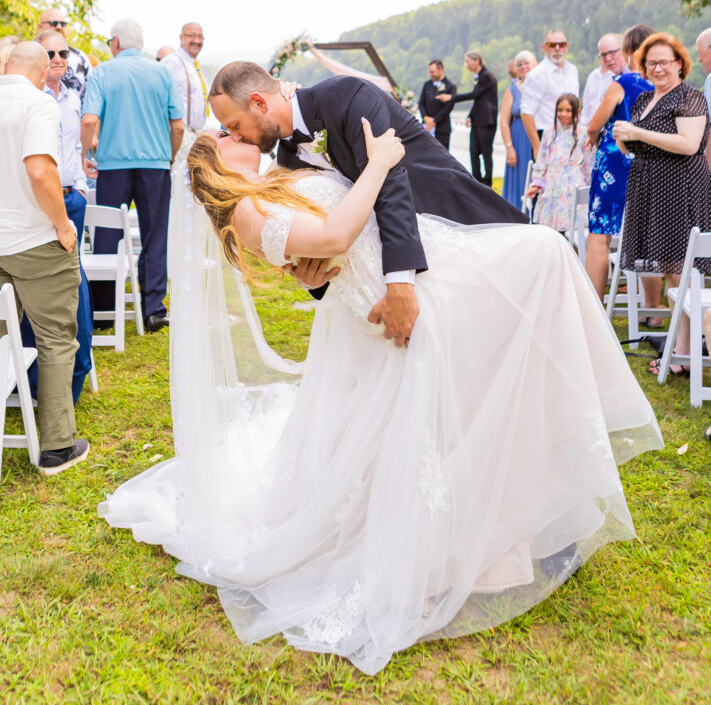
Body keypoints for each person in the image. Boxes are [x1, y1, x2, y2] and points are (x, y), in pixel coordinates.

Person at [99, 122, 662, 674]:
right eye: (223, 135)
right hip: (390, 299)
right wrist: (379, 162)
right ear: (212, 163)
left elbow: (326, 245)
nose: (234, 133)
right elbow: (333, 237)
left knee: (540, 265)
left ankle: (524, 512)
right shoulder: (246, 211)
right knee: (540, 259)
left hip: (421, 267)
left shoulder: (275, 180)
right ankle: (469, 542)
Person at [208, 64, 527, 347]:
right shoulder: (288, 160)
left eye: (235, 125)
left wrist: (400, 284)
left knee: (514, 324)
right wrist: (313, 279)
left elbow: (390, 180)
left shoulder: (347, 95)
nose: (237, 137)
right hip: (395, 271)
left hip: (451, 219)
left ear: (259, 103)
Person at [0, 42, 89, 475]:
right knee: (55, 337)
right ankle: (56, 447)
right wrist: (62, 225)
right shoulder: (38, 103)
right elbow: (40, 170)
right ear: (40, 74)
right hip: (34, 240)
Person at [613, 33, 711, 375]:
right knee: (673, 272)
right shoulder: (643, 101)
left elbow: (688, 144)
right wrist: (625, 140)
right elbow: (638, 148)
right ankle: (680, 348)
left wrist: (637, 134)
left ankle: (683, 349)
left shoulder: (690, 97)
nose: (658, 68)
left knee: (685, 270)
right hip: (652, 190)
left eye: (664, 62)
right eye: (651, 62)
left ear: (680, 64)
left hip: (682, 191)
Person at [81, 19, 185, 333]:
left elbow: (88, 120)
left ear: (115, 43)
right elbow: (178, 125)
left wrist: (86, 153)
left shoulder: (102, 72)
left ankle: (104, 310)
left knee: (107, 236)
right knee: (155, 235)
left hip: (113, 165)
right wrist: (170, 155)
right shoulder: (162, 72)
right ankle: (153, 310)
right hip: (155, 164)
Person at [19, 30, 94, 402]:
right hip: (37, 203)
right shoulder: (28, 101)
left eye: (63, 51)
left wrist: (78, 183)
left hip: (71, 199)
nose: (58, 58)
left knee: (72, 283)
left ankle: (77, 370)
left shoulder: (71, 98)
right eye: (50, 52)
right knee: (41, 290)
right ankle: (36, 379)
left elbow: (75, 147)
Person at [584, 25, 661, 314]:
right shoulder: (665, 84)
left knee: (600, 235)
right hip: (651, 165)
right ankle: (653, 310)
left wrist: (596, 140)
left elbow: (593, 125)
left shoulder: (623, 82)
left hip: (615, 166)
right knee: (649, 235)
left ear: (629, 52)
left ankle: (594, 309)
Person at [525, 94, 592, 231]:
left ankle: (574, 253)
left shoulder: (584, 133)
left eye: (568, 110)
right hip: (552, 185)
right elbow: (541, 160)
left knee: (574, 230)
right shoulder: (548, 133)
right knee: (550, 231)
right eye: (560, 110)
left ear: (577, 111)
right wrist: (537, 183)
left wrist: (590, 187)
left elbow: (588, 163)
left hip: (573, 185)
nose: (563, 114)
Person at [435, 52, 498, 185]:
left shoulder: (487, 76)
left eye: (468, 61)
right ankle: (476, 180)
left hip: (487, 121)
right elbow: (479, 100)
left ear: (477, 61)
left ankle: (488, 182)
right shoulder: (479, 77)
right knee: (473, 151)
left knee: (486, 152)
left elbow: (474, 95)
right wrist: (470, 116)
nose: (466, 65)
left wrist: (451, 97)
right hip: (477, 120)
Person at [521, 30, 579, 159]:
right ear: (544, 47)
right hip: (547, 137)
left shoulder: (573, 70)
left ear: (567, 46)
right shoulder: (537, 75)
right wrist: (537, 146)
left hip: (571, 136)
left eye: (561, 44)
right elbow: (526, 113)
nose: (557, 48)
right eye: (552, 45)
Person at [160, 23, 208, 164]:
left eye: (200, 37)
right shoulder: (172, 62)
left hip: (193, 135)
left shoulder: (193, 64)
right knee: (178, 183)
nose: (197, 41)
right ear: (181, 37)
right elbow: (161, 98)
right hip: (179, 135)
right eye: (191, 35)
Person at [500, 50, 536, 207]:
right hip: (518, 140)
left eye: (527, 62)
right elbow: (503, 121)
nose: (523, 66)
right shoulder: (512, 90)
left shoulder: (542, 86)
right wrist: (509, 147)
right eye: (519, 64)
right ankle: (517, 212)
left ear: (535, 64)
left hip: (538, 135)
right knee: (519, 177)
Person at [38, 9, 93, 102]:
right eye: (53, 23)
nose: (59, 27)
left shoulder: (80, 58)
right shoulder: (30, 54)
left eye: (63, 24)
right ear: (40, 27)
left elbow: (91, 93)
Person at [580, 34, 627, 127]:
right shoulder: (593, 76)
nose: (608, 58)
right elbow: (586, 110)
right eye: (603, 55)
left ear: (624, 50)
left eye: (612, 53)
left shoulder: (630, 77)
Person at [417, 59, 456, 149]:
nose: (431, 74)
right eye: (429, 72)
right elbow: (421, 103)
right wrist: (425, 118)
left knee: (442, 157)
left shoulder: (450, 86)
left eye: (432, 72)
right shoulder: (427, 84)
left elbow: (448, 107)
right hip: (426, 126)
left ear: (441, 70)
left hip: (442, 129)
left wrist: (434, 121)